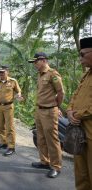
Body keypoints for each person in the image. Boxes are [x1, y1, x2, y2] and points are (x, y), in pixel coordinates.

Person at [28, 52, 65, 178]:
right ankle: (44, 161)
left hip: (49, 111)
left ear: (43, 60)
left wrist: (57, 106)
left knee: (52, 139)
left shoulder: (53, 74)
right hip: (39, 110)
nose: (34, 64)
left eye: (35, 61)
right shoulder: (39, 75)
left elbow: (60, 92)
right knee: (41, 137)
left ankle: (56, 166)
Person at [66, 37, 92, 190]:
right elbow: (75, 96)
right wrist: (69, 111)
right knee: (81, 174)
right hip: (80, 132)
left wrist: (78, 114)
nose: (80, 59)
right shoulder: (86, 75)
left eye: (83, 55)